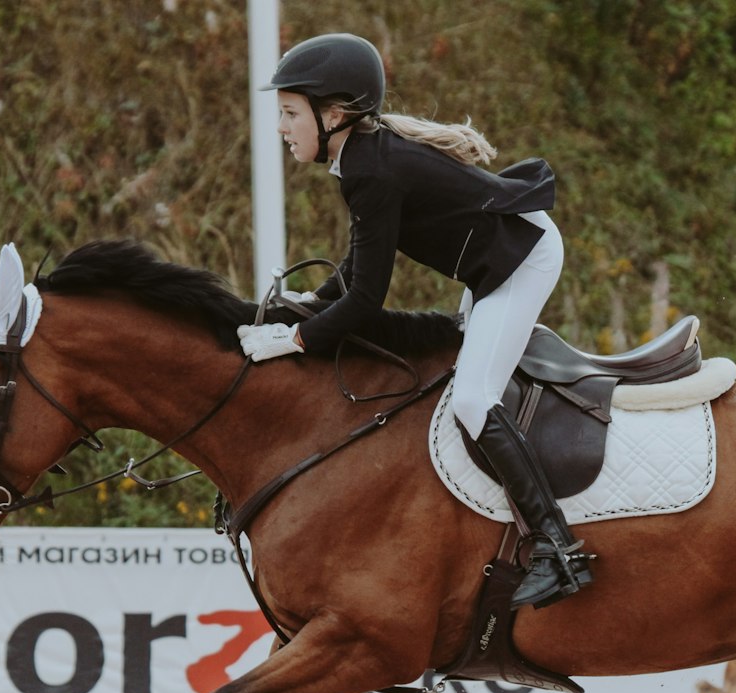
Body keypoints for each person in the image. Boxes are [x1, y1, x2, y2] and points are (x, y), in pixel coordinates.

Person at [236, 33, 593, 611]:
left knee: (474, 401)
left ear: (334, 115)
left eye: (290, 112)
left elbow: (366, 302)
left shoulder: (370, 170)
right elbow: (356, 272)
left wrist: (296, 337)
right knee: (461, 383)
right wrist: (308, 303)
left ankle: (560, 548)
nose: (281, 126)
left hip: (523, 258)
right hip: (500, 260)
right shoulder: (362, 159)